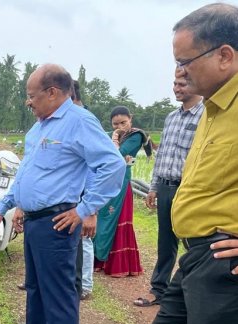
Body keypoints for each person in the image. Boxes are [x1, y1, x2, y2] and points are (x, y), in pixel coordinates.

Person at [97, 2, 238, 324]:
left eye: (188, 61)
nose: (181, 72)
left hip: (227, 255)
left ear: (225, 55)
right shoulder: (214, 108)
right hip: (197, 252)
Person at [0, 64, 125, 324]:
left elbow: (111, 165)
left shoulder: (78, 122)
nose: (28, 103)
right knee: (35, 289)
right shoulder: (38, 129)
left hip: (58, 221)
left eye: (32, 96)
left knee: (58, 293)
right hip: (34, 221)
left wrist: (86, 208)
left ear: (53, 92)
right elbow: (25, 175)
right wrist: (5, 207)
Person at [133, 75, 205, 307]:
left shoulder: (206, 116)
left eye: (182, 84)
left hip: (190, 189)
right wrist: (153, 187)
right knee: (166, 241)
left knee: (194, 242)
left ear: (196, 83)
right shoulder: (171, 118)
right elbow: (162, 154)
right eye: (175, 84)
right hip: (165, 186)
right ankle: (159, 289)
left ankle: (193, 295)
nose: (177, 88)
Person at [93, 106, 152, 277]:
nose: (119, 127)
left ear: (130, 119)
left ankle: (117, 264)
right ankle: (100, 259)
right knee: (104, 217)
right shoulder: (118, 135)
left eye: (123, 122)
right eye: (115, 124)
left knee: (116, 217)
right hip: (107, 180)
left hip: (121, 181)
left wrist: (113, 139)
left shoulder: (135, 135)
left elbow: (116, 154)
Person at [72, 79, 96, 300]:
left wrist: (91, 210)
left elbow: (97, 167)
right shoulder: (67, 121)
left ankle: (84, 285)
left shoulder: (84, 121)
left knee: (84, 240)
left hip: (82, 196)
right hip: (72, 195)